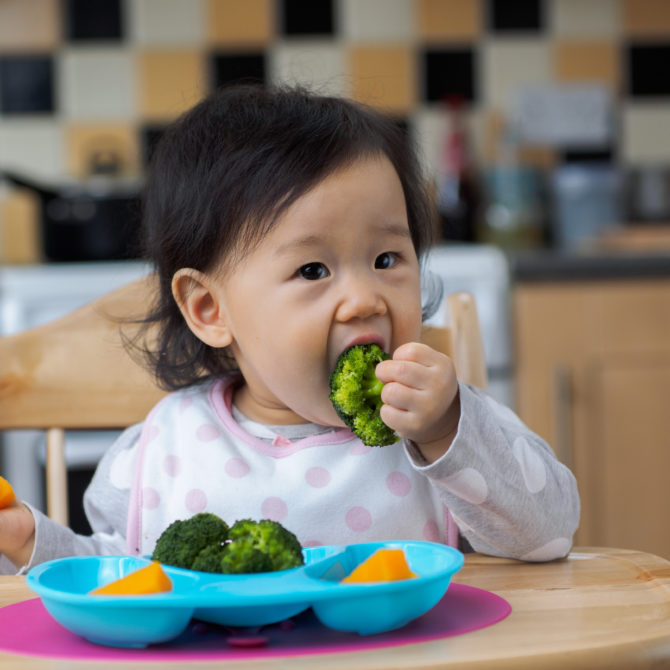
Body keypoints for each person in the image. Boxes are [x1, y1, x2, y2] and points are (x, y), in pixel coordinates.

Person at [0, 84, 579, 574]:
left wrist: (451, 428)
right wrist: (34, 542)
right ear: (209, 310)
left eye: (386, 259)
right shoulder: (161, 450)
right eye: (312, 270)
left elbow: (549, 534)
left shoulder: (440, 430)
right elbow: (118, 577)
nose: (363, 299)